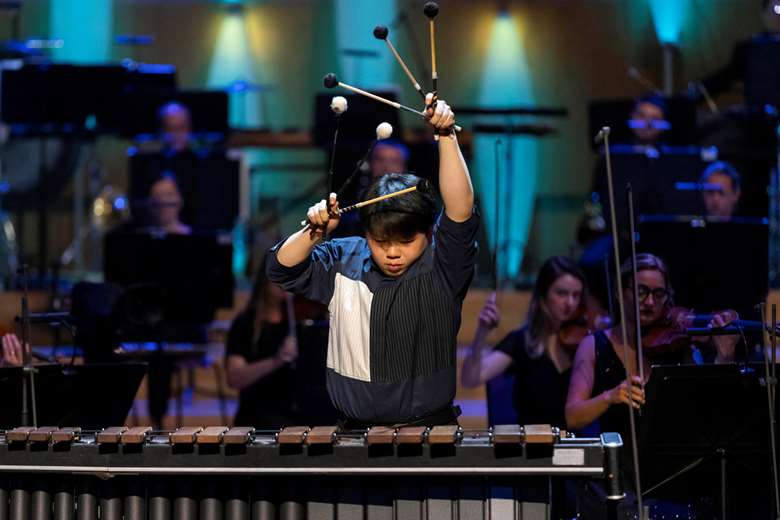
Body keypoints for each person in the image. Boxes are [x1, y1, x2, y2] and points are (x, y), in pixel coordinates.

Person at [266, 94, 477, 426]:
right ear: (367, 234)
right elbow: (280, 268)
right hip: (354, 436)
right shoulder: (345, 259)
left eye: (406, 241)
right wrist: (314, 231)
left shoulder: (443, 265)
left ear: (428, 233)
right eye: (381, 242)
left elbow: (461, 212)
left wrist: (446, 135)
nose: (393, 252)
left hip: (429, 435)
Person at [461, 256, 591, 428]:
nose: (570, 303)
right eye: (562, 293)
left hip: (573, 446)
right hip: (533, 444)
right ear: (543, 295)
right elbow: (471, 379)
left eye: (576, 295)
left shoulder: (586, 342)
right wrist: (481, 332)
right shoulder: (522, 340)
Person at [225, 264, 299, 428]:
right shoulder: (245, 323)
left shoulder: (304, 320)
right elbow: (234, 377)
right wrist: (276, 361)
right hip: (257, 421)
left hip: (300, 421)